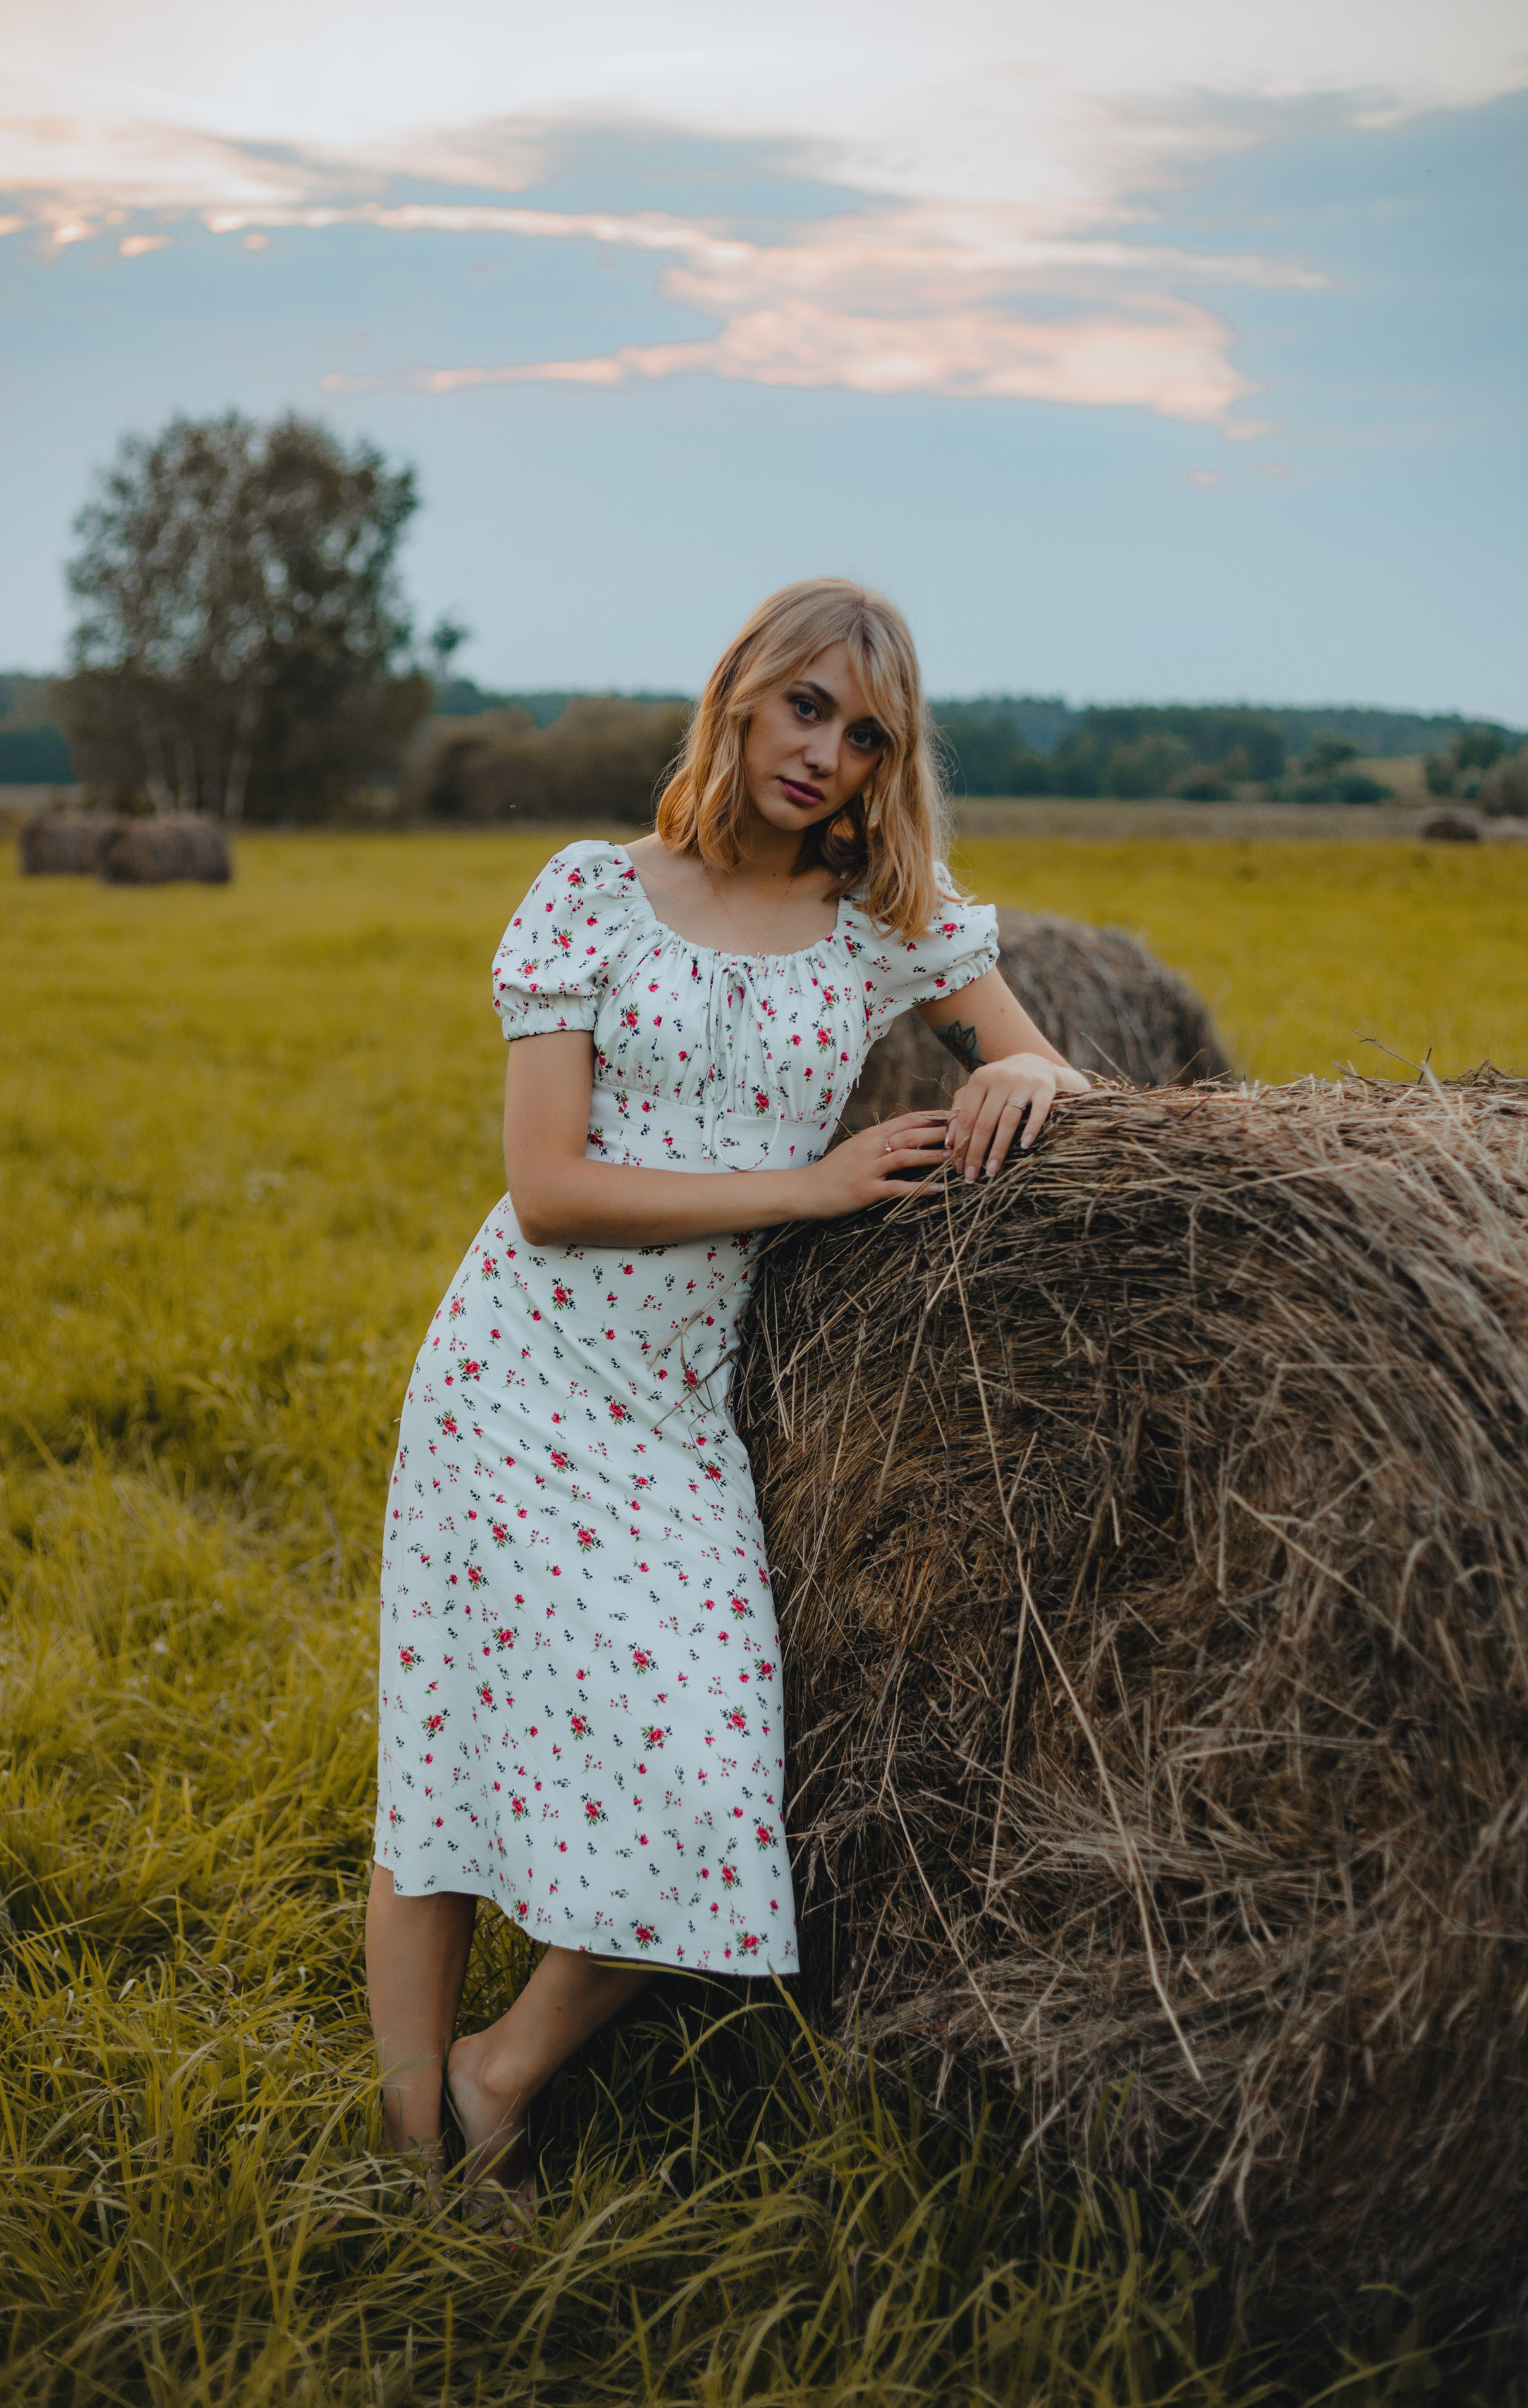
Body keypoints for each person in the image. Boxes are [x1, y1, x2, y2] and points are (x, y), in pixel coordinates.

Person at [365, 577, 1087, 2216]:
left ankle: (501, 2074)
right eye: (806, 709)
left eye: (866, 734)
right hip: (519, 1368)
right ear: (742, 698)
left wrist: (1026, 1068)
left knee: (710, 1774)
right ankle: (415, 2173)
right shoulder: (593, 896)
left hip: (682, 1407)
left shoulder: (890, 918)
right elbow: (550, 1188)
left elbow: (1046, 1061)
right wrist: (813, 1193)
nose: (826, 754)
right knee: (446, 1764)